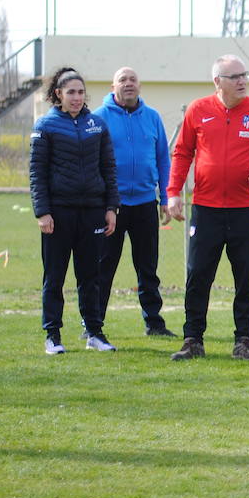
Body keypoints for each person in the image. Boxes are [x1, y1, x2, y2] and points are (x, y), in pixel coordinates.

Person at [165, 55, 249, 361]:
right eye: (235, 77)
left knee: (245, 277)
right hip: (206, 209)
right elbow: (182, 153)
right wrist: (174, 192)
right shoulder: (198, 110)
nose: (242, 81)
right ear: (218, 81)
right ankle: (193, 339)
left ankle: (243, 341)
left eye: (245, 75)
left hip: (245, 209)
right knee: (198, 276)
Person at [30, 67, 120, 354]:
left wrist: (111, 208)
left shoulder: (97, 124)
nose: (77, 97)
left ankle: (94, 332)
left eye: (81, 92)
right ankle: (52, 336)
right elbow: (37, 173)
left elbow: (108, 168)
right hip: (58, 213)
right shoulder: (45, 126)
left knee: (90, 276)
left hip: (93, 211)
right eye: (71, 92)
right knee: (54, 276)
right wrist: (42, 212)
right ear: (58, 94)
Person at [92, 66, 175, 337]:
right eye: (122, 80)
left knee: (147, 267)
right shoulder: (99, 118)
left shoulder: (152, 117)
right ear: (112, 86)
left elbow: (163, 158)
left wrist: (165, 195)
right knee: (103, 266)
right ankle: (93, 324)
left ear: (139, 85)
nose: (128, 84)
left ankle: (153, 322)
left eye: (133, 79)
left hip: (144, 204)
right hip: (110, 208)